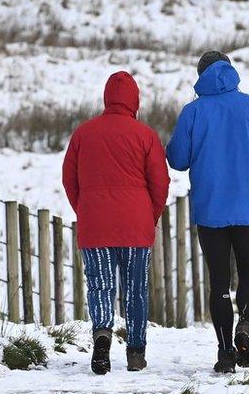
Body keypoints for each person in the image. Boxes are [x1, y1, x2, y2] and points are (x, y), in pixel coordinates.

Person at [166, 51, 249, 373]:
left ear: (200, 75)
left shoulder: (193, 112)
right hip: (248, 206)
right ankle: (245, 323)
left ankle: (225, 351)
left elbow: (177, 159)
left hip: (211, 209)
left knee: (219, 283)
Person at [62, 71, 170, 375]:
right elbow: (160, 182)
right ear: (134, 100)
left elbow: (69, 178)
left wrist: (84, 209)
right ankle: (136, 352)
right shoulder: (146, 135)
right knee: (136, 288)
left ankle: (102, 338)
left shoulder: (83, 134)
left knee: (101, 285)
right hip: (136, 225)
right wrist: (150, 216)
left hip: (95, 225)